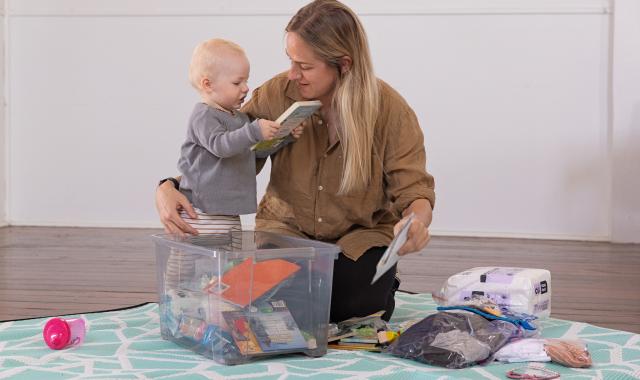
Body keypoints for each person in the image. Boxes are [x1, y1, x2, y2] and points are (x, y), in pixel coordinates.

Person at [156, 0, 436, 323]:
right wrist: (169, 186)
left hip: (358, 238)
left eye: (304, 65)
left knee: (352, 300)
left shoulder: (390, 111)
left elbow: (415, 191)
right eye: (291, 60)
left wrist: (415, 222)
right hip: (287, 236)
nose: (293, 73)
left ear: (343, 64)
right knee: (269, 301)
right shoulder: (277, 94)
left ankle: (370, 288)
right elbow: (222, 153)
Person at [163, 38, 303, 287]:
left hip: (229, 212)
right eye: (238, 82)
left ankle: (219, 305)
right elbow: (221, 146)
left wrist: (283, 138)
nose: (246, 88)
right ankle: (174, 297)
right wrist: (255, 131)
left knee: (228, 267)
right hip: (202, 211)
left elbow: (251, 154)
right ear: (208, 84)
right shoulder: (204, 115)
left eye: (246, 81)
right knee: (185, 264)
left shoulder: (238, 119)